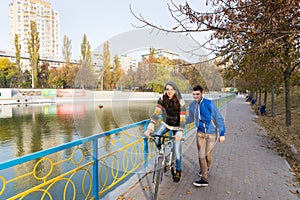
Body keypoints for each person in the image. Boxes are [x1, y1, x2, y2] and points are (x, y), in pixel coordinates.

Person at [144, 81, 186, 182]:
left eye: (171, 89)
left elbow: (183, 118)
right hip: (166, 123)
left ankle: (178, 170)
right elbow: (156, 113)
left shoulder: (181, 101)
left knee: (177, 149)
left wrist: (180, 132)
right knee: (156, 137)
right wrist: (150, 127)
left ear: (175, 90)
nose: (169, 91)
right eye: (167, 89)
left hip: (177, 126)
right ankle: (162, 150)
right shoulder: (162, 99)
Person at [186, 85, 226, 187]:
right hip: (200, 133)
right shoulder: (192, 105)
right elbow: (190, 118)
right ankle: (204, 178)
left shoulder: (208, 103)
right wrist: (179, 122)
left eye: (197, 94)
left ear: (202, 93)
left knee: (208, 156)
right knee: (201, 155)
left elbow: (219, 118)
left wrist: (222, 133)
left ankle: (206, 169)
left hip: (211, 133)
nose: (195, 96)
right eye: (194, 94)